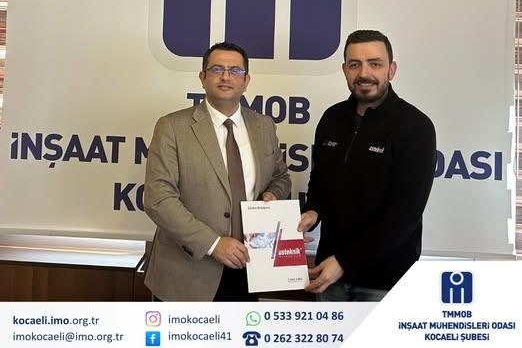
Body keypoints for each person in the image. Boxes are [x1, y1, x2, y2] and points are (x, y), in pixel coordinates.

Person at [144, 42, 291, 301]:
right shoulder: (172, 127)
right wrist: (213, 243)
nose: (225, 77)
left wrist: (272, 196)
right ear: (202, 77)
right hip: (188, 273)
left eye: (235, 71)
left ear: (246, 81)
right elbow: (158, 199)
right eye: (217, 69)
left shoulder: (264, 126)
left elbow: (280, 178)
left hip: (249, 267)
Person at [298, 30, 436, 301]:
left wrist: (345, 261)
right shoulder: (331, 118)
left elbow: (404, 215)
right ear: (344, 70)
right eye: (355, 64)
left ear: (391, 70)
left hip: (384, 282)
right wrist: (313, 211)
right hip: (328, 276)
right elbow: (321, 182)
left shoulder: (416, 127)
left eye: (375, 64)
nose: (364, 73)